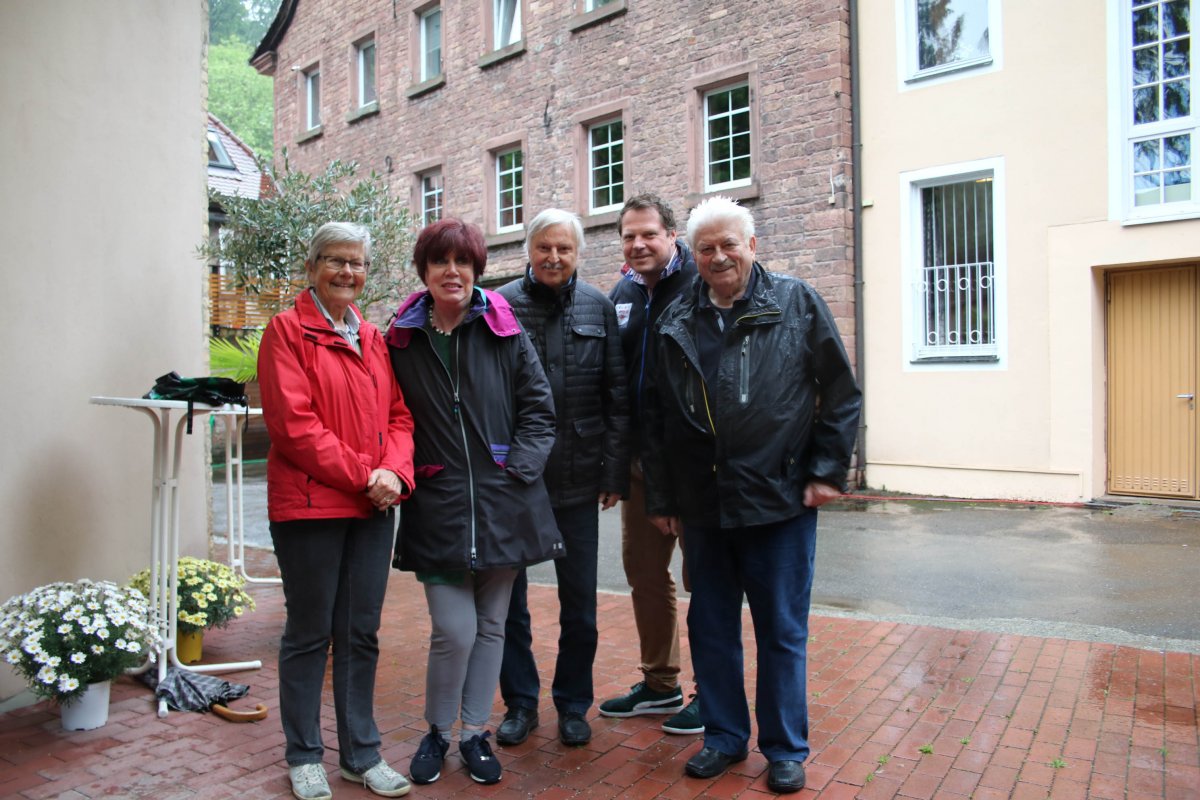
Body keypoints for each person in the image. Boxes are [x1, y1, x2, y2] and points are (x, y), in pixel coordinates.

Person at [641, 197, 861, 794]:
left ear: (752, 245)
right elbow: (656, 419)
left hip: (780, 502)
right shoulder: (675, 319)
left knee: (781, 631)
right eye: (706, 248)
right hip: (704, 507)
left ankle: (785, 748)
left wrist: (826, 471)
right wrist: (662, 499)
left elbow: (840, 393)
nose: (718, 257)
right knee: (711, 627)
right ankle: (723, 738)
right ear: (695, 253)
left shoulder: (795, 302)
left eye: (728, 245)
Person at [385, 218, 562, 786]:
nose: (452, 272)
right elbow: (390, 417)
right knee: (454, 630)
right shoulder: (402, 340)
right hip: (437, 503)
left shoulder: (506, 330)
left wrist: (519, 471)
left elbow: (539, 411)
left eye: (463, 262)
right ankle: (438, 731)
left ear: (476, 269)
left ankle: (474, 733)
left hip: (504, 504)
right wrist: (406, 471)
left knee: (492, 626)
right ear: (425, 271)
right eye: (441, 262)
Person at [258, 222, 416, 800]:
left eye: (357, 262)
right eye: (334, 261)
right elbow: (294, 428)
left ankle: (361, 754)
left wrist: (394, 474)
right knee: (308, 632)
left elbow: (399, 417)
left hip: (373, 506)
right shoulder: (286, 331)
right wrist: (365, 475)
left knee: (361, 632)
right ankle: (304, 754)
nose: (347, 272)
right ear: (312, 268)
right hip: (310, 509)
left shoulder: (372, 338)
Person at [495, 209, 629, 747]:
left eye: (564, 250)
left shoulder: (598, 306)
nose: (554, 258)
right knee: (510, 605)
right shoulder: (500, 304)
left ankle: (574, 704)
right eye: (545, 248)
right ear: (529, 249)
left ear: (578, 253)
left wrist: (613, 471)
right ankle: (520, 704)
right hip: (517, 481)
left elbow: (617, 397)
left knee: (581, 606)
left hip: (578, 479)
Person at [600, 193, 703, 735]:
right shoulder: (621, 293)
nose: (638, 244)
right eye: (628, 236)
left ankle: (712, 691)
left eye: (649, 235)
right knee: (643, 572)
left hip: (689, 469)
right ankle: (661, 684)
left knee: (703, 578)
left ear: (671, 235)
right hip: (640, 464)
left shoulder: (699, 286)